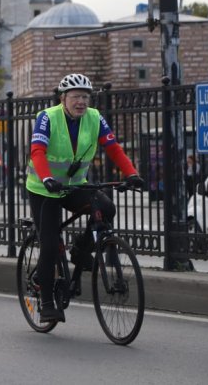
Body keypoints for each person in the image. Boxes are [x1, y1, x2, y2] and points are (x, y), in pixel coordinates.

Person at [27, 73, 145, 322]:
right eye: (75, 97)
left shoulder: (94, 117)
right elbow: (37, 151)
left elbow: (113, 148)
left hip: (74, 186)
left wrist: (131, 174)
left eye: (85, 97)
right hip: (44, 189)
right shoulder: (47, 117)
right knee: (49, 244)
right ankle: (46, 303)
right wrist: (47, 178)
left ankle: (80, 249)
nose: (81, 102)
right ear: (63, 98)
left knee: (106, 208)